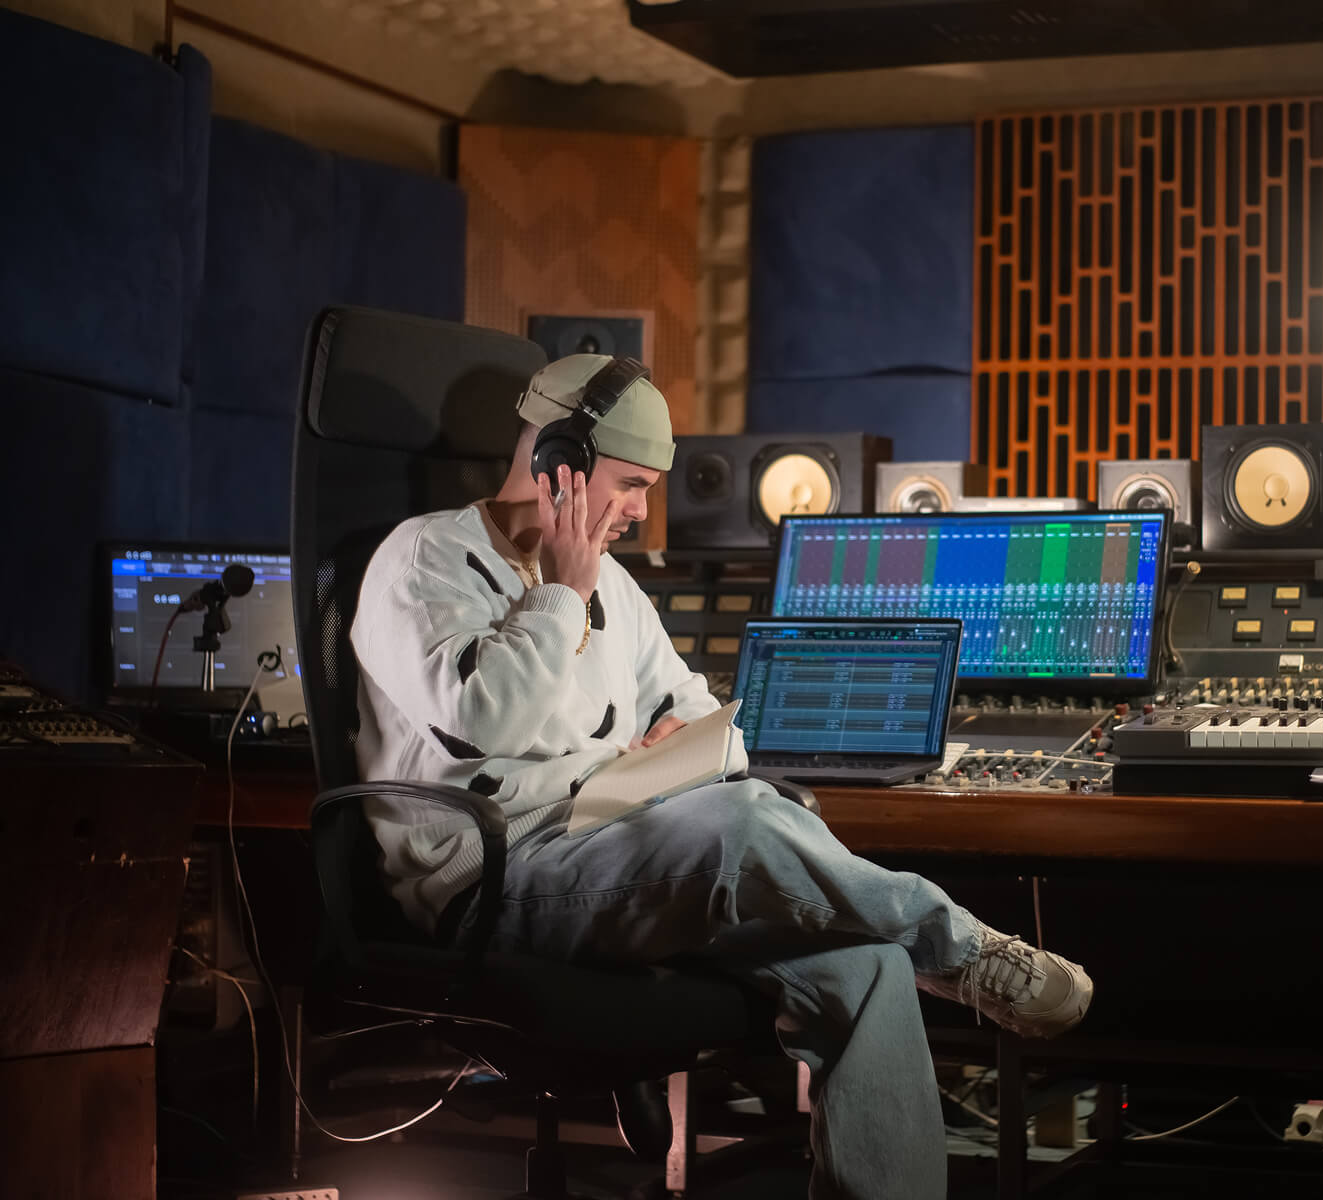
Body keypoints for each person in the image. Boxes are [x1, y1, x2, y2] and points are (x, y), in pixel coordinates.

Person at [350, 354, 1094, 1199]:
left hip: (619, 855)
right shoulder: (424, 560)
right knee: (744, 822)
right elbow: (486, 718)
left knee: (868, 971)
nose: (640, 510)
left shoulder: (615, 587)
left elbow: (708, 719)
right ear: (562, 460)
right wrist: (562, 592)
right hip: (496, 880)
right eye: (632, 486)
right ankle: (959, 949)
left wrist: (680, 738)